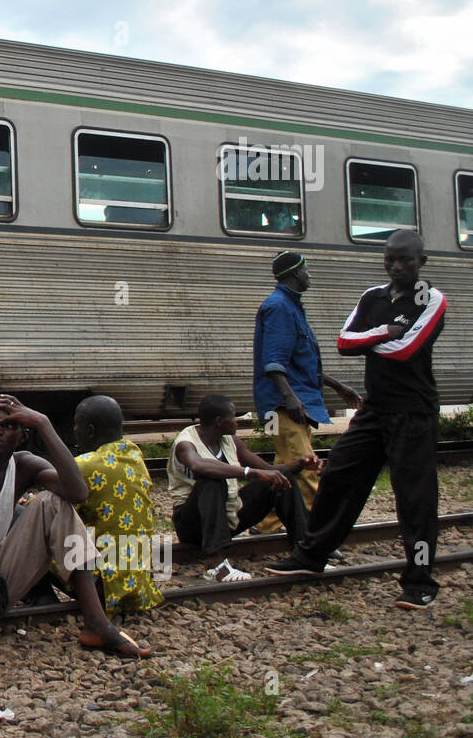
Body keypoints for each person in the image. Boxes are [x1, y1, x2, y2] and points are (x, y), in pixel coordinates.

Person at [267, 231, 447, 609]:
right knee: (338, 475)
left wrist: (372, 339)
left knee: (414, 499)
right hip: (375, 410)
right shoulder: (372, 297)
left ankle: (420, 582)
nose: (397, 267)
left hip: (413, 413)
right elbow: (344, 342)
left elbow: (405, 349)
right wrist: (383, 331)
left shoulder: (431, 300)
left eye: (406, 260)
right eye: (391, 259)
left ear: (422, 262)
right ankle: (311, 555)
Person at [0, 393, 150, 675]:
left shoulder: (25, 465)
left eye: (7, 426)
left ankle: (96, 624)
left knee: (53, 503)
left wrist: (44, 424)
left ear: (23, 436)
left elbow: (77, 492)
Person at [251, 251, 362, 529]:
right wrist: (290, 397)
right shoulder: (279, 307)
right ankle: (315, 534)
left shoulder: (291, 306)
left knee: (288, 469)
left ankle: (264, 528)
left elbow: (301, 363)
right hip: (283, 406)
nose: (309, 274)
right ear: (295, 273)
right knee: (306, 469)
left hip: (290, 403)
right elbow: (273, 362)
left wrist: (338, 387)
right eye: (306, 270)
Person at [168, 394, 317, 582]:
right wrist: (250, 472)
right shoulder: (185, 443)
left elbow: (268, 470)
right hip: (192, 525)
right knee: (211, 479)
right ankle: (215, 565)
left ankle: (305, 552)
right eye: (233, 416)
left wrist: (300, 464)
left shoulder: (230, 440)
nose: (237, 421)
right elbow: (199, 466)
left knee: (281, 478)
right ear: (219, 421)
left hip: (227, 516)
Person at [71, 395, 165, 616]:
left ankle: (41, 594)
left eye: (77, 425)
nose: (74, 430)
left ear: (91, 430)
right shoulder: (135, 455)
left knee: (34, 517)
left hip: (102, 586)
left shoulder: (86, 464)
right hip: (138, 585)